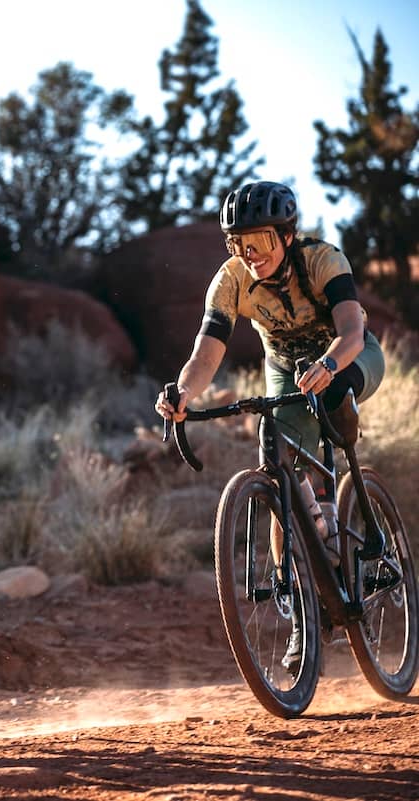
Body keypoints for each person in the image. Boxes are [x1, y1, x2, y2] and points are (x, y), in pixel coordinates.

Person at [154, 180, 385, 672]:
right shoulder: (232, 279)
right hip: (286, 364)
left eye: (258, 240)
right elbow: (207, 350)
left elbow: (351, 330)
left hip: (346, 353)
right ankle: (304, 610)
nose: (249, 252)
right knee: (281, 476)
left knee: (336, 393)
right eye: (238, 243)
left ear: (285, 235)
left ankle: (358, 513)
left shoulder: (323, 259)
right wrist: (183, 393)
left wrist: (329, 365)